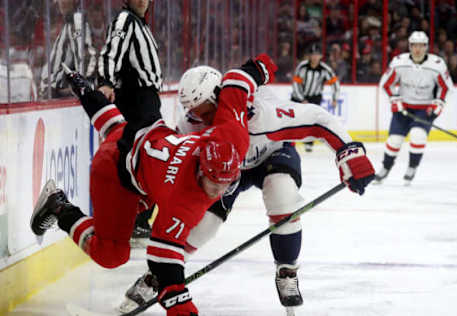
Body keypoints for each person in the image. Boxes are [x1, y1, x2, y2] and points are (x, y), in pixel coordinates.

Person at [30, 54, 278, 316]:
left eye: (225, 181)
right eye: (212, 180)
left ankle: (84, 89)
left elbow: (237, 86)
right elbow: (164, 265)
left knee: (119, 130)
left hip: (145, 134)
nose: (218, 189)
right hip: (115, 172)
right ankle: (59, 207)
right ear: (201, 169)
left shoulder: (229, 134)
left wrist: (263, 67)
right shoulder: (180, 203)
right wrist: (179, 303)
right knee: (111, 254)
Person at [118, 65, 375, 315]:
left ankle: (287, 269)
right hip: (225, 169)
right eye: (192, 111)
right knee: (203, 224)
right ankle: (159, 274)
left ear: (219, 97)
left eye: (204, 111)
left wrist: (348, 153)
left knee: (282, 195)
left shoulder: (263, 115)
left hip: (273, 155)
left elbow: (318, 119)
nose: (199, 119)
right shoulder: (191, 124)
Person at [97, 0, 163, 239]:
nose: (142, 0)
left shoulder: (141, 24)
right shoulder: (126, 20)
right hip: (137, 100)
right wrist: (105, 81)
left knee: (148, 159)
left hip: (147, 101)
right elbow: (111, 51)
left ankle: (139, 217)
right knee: (145, 159)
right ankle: (135, 218)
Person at [374, 31, 454, 185]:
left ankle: (412, 167)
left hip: (424, 109)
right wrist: (394, 98)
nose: (418, 49)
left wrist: (439, 103)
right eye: (414, 45)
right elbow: (385, 83)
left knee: (418, 135)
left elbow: (446, 87)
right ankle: (385, 168)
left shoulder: (437, 64)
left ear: (426, 47)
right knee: (394, 140)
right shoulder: (399, 62)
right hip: (404, 107)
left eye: (421, 46)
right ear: (409, 46)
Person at [39, 0, 97, 99]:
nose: (59, 2)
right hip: (53, 93)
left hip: (57, 95)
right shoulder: (70, 23)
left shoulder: (77, 19)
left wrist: (83, 86)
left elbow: (85, 55)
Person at [291, 43, 341, 152]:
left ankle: (308, 143)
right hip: (298, 96)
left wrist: (335, 98)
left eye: (317, 55)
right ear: (309, 56)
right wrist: (301, 99)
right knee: (292, 118)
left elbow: (335, 83)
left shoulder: (324, 69)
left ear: (321, 56)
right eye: (312, 55)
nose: (314, 57)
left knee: (312, 120)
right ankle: (289, 141)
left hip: (314, 97)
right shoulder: (302, 66)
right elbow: (295, 84)